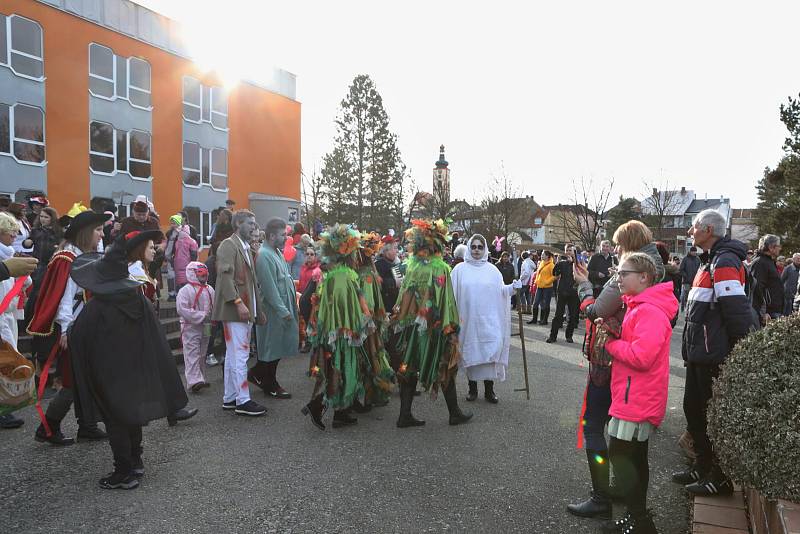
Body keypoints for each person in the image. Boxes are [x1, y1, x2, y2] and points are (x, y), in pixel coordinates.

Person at [67, 239, 189, 490]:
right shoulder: (139, 299)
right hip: (136, 369)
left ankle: (124, 472)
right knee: (132, 416)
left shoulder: (98, 307)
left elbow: (78, 336)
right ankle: (135, 461)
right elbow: (154, 336)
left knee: (116, 421)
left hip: (109, 373)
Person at [568, 220, 664, 521]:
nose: (617, 253)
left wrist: (584, 286)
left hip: (614, 368)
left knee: (595, 426)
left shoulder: (633, 271)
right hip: (628, 374)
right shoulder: (654, 272)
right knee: (627, 444)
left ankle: (602, 498)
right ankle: (627, 500)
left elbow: (595, 311)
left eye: (620, 245)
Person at [596, 252, 678, 533]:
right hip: (632, 395)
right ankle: (638, 518)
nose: (617, 278)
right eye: (617, 273)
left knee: (623, 458)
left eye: (623, 273)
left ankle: (640, 520)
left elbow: (642, 357)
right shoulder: (639, 306)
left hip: (637, 399)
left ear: (644, 277)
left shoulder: (650, 311)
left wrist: (610, 345)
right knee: (633, 458)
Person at [673, 209, 752, 496]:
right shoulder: (709, 261)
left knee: (709, 416)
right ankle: (702, 466)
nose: (690, 232)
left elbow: (736, 312)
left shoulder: (725, 261)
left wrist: (738, 353)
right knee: (693, 411)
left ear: (707, 229)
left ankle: (718, 477)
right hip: (700, 354)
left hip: (713, 355)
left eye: (693, 228)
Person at [27, 211, 111, 446]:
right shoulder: (68, 258)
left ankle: (87, 426)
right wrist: (65, 330)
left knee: (87, 377)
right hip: (72, 329)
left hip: (82, 327)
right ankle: (48, 427)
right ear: (85, 233)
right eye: (98, 230)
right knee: (71, 381)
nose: (102, 234)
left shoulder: (81, 256)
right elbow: (64, 298)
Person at [390, 219, 472, 428]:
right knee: (445, 365)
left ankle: (404, 415)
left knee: (409, 367)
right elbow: (446, 301)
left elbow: (403, 296)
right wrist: (451, 327)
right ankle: (454, 413)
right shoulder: (441, 269)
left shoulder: (410, 268)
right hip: (434, 328)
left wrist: (398, 320)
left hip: (410, 328)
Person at [302, 224, 371, 430]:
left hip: (335, 332)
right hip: (341, 333)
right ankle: (321, 406)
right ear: (346, 253)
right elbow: (344, 306)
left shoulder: (335, 275)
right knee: (340, 369)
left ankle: (341, 412)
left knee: (338, 369)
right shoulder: (343, 277)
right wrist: (355, 327)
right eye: (354, 252)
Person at [452, 234, 521, 404]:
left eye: (480, 247)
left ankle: (489, 390)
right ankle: (472, 389)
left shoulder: (492, 270)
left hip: (489, 320)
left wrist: (513, 287)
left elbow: (501, 291)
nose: (476, 250)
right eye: (473, 247)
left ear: (485, 249)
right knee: (472, 354)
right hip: (468, 321)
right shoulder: (459, 270)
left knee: (490, 353)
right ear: (469, 248)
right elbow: (451, 296)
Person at [212, 210, 267, 417]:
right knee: (240, 355)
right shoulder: (229, 244)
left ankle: (230, 398)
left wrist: (257, 311)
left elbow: (251, 285)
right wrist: (238, 303)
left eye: (254, 223)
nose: (254, 226)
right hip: (235, 310)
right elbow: (225, 276)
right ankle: (243, 401)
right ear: (238, 224)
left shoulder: (244, 247)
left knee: (234, 355)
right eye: (250, 223)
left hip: (243, 310)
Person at [251, 217, 298, 400]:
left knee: (277, 347)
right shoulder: (264, 255)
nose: (286, 238)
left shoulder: (276, 252)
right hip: (273, 311)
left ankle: (256, 374)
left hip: (283, 308)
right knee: (271, 348)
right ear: (271, 236)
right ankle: (269, 384)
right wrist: (283, 311)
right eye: (283, 234)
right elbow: (270, 289)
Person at [177, 262, 214, 393]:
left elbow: (213, 305)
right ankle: (194, 381)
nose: (204, 276)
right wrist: (202, 315)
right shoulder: (185, 290)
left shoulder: (209, 289)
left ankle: (200, 378)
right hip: (190, 327)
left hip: (206, 326)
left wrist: (211, 317)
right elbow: (182, 309)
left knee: (202, 353)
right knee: (192, 353)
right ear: (193, 274)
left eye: (205, 273)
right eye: (200, 273)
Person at [547, 245, 579, 344]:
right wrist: (557, 264)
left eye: (571, 250)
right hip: (562, 291)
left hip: (574, 292)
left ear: (574, 252)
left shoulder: (578, 263)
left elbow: (582, 270)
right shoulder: (561, 263)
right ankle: (553, 336)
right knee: (558, 315)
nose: (569, 252)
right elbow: (554, 273)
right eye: (567, 250)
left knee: (573, 316)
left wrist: (573, 261)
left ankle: (569, 335)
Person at [750, 234, 785, 322]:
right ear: (770, 247)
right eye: (778, 246)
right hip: (768, 314)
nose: (780, 248)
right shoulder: (761, 262)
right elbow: (757, 288)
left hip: (773, 311)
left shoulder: (768, 261)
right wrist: (763, 312)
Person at [529, 250, 555, 325]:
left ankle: (544, 320)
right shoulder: (541, 263)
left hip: (548, 287)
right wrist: (536, 281)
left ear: (547, 256)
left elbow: (554, 276)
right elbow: (538, 273)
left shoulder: (551, 265)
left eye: (543, 254)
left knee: (546, 304)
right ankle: (534, 319)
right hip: (539, 286)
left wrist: (547, 282)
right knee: (535, 303)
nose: (541, 256)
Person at [678, 246, 701, 313]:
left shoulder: (698, 259)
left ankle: (690, 309)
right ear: (690, 252)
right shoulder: (685, 259)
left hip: (695, 282)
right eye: (693, 251)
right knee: (686, 296)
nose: (694, 253)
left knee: (693, 297)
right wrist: (686, 276)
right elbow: (681, 270)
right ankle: (684, 309)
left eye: (695, 251)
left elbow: (700, 269)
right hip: (686, 281)